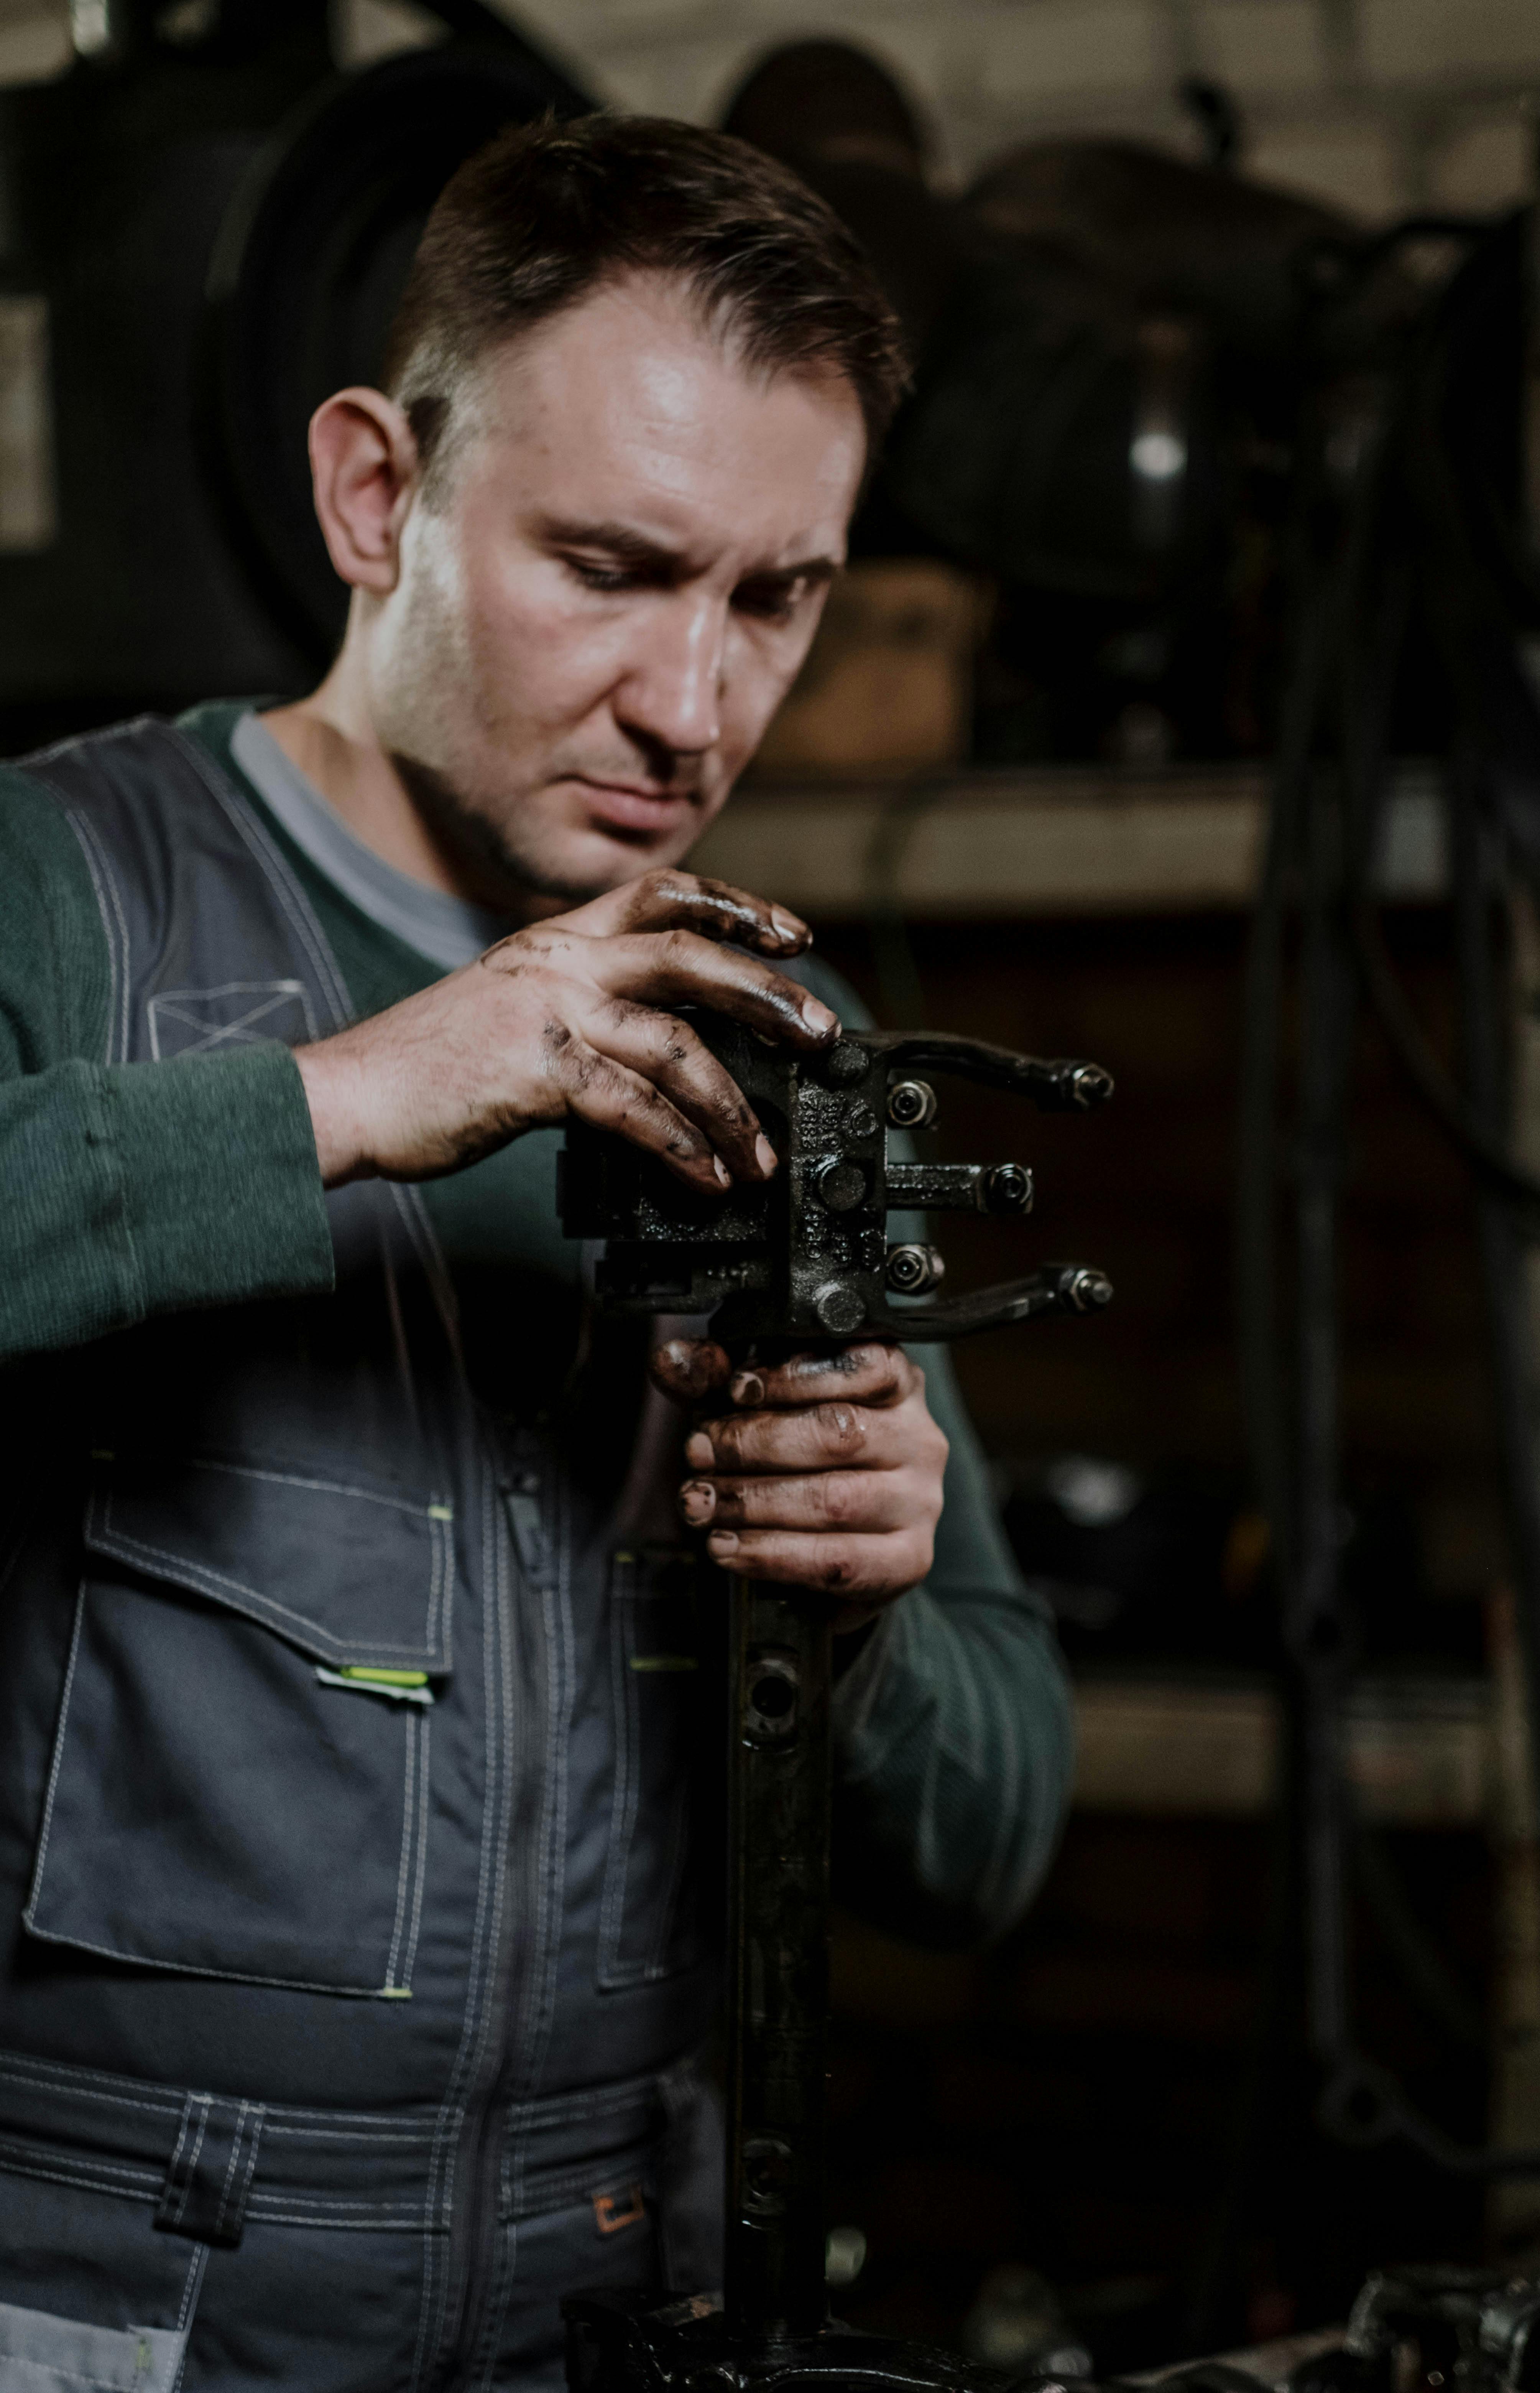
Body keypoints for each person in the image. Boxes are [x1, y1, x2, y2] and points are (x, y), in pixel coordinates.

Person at [0, 115, 1069, 2390]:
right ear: (376, 495)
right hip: (120, 2300)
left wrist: (860, 1608)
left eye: (777, 598)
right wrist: (336, 1103)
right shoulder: (60, 895)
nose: (696, 711)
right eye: (614, 566)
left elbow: (992, 1836)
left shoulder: (782, 1054)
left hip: (613, 2292)